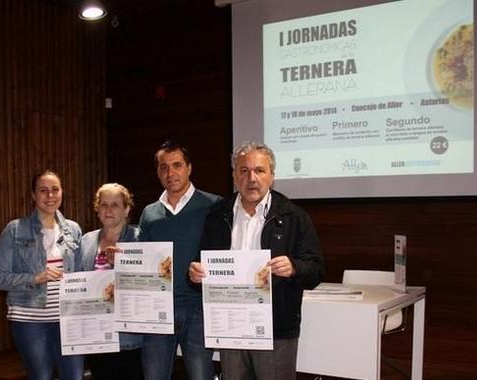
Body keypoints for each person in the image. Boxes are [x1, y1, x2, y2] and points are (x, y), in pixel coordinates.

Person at [188, 142, 324, 380]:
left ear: (272, 176)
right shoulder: (218, 215)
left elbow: (316, 270)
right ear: (234, 175)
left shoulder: (294, 216)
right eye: (243, 170)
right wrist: (195, 273)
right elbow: (202, 261)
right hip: (230, 326)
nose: (251, 178)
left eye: (259, 170)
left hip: (276, 329)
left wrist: (294, 267)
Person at [138, 140, 221, 380]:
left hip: (198, 308)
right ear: (158, 172)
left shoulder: (213, 205)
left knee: (200, 375)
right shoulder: (149, 212)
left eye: (177, 165)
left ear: (189, 168)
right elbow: (143, 258)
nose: (170, 172)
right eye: (164, 167)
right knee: (154, 375)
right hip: (158, 309)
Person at [0, 170, 84, 380]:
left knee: (75, 376)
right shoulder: (14, 230)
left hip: (68, 319)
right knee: (41, 376)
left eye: (55, 190)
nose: (50, 196)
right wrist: (35, 278)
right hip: (30, 321)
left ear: (62, 192)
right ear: (33, 195)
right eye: (43, 190)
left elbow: (81, 274)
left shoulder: (74, 230)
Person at [79, 183, 144, 380]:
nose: (108, 210)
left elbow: (151, 283)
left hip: (128, 337)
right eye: (104, 204)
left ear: (126, 209)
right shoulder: (86, 241)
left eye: (115, 205)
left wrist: (123, 263)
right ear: (97, 208)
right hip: (96, 334)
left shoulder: (141, 238)